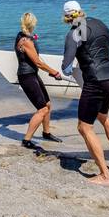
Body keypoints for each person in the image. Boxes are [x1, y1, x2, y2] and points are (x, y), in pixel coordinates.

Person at [59, 0, 109, 186]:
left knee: (84, 127)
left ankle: (105, 175)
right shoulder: (99, 23)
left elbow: (66, 68)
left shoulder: (74, 34)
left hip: (95, 82)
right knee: (104, 117)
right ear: (81, 11)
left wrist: (68, 69)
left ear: (67, 18)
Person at [13, 11, 64, 148]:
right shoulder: (26, 41)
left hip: (32, 75)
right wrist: (54, 72)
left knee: (47, 105)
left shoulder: (21, 35)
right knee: (42, 109)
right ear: (33, 24)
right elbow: (38, 63)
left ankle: (46, 133)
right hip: (26, 76)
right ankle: (26, 140)